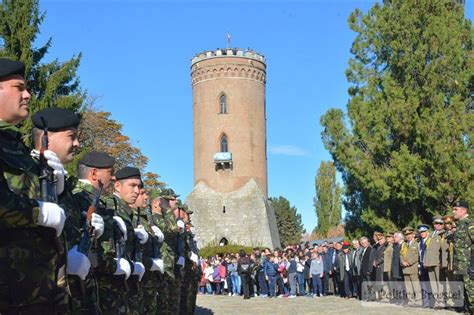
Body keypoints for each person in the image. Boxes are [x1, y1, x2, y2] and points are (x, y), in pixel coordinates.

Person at [0, 58, 66, 314]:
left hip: (38, 294)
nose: (28, 94)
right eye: (19, 87)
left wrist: (58, 190)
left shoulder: (16, 147)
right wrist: (41, 212)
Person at [71, 151, 115, 314]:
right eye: (110, 172)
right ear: (94, 173)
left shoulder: (91, 197)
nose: (113, 178)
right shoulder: (80, 196)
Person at [452, 200, 473, 314]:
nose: (453, 211)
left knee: (472, 296)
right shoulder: (459, 226)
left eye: (456, 209)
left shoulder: (470, 225)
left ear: (464, 210)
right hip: (460, 267)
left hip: (469, 267)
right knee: (465, 296)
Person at [401, 227, 421, 307]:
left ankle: (418, 301)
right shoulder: (404, 245)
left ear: (413, 235)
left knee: (416, 285)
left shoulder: (417, 244)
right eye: (406, 235)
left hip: (413, 268)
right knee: (408, 286)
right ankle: (410, 301)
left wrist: (409, 262)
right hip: (405, 268)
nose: (408, 236)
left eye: (409, 234)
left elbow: (417, 255)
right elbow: (401, 255)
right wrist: (402, 262)